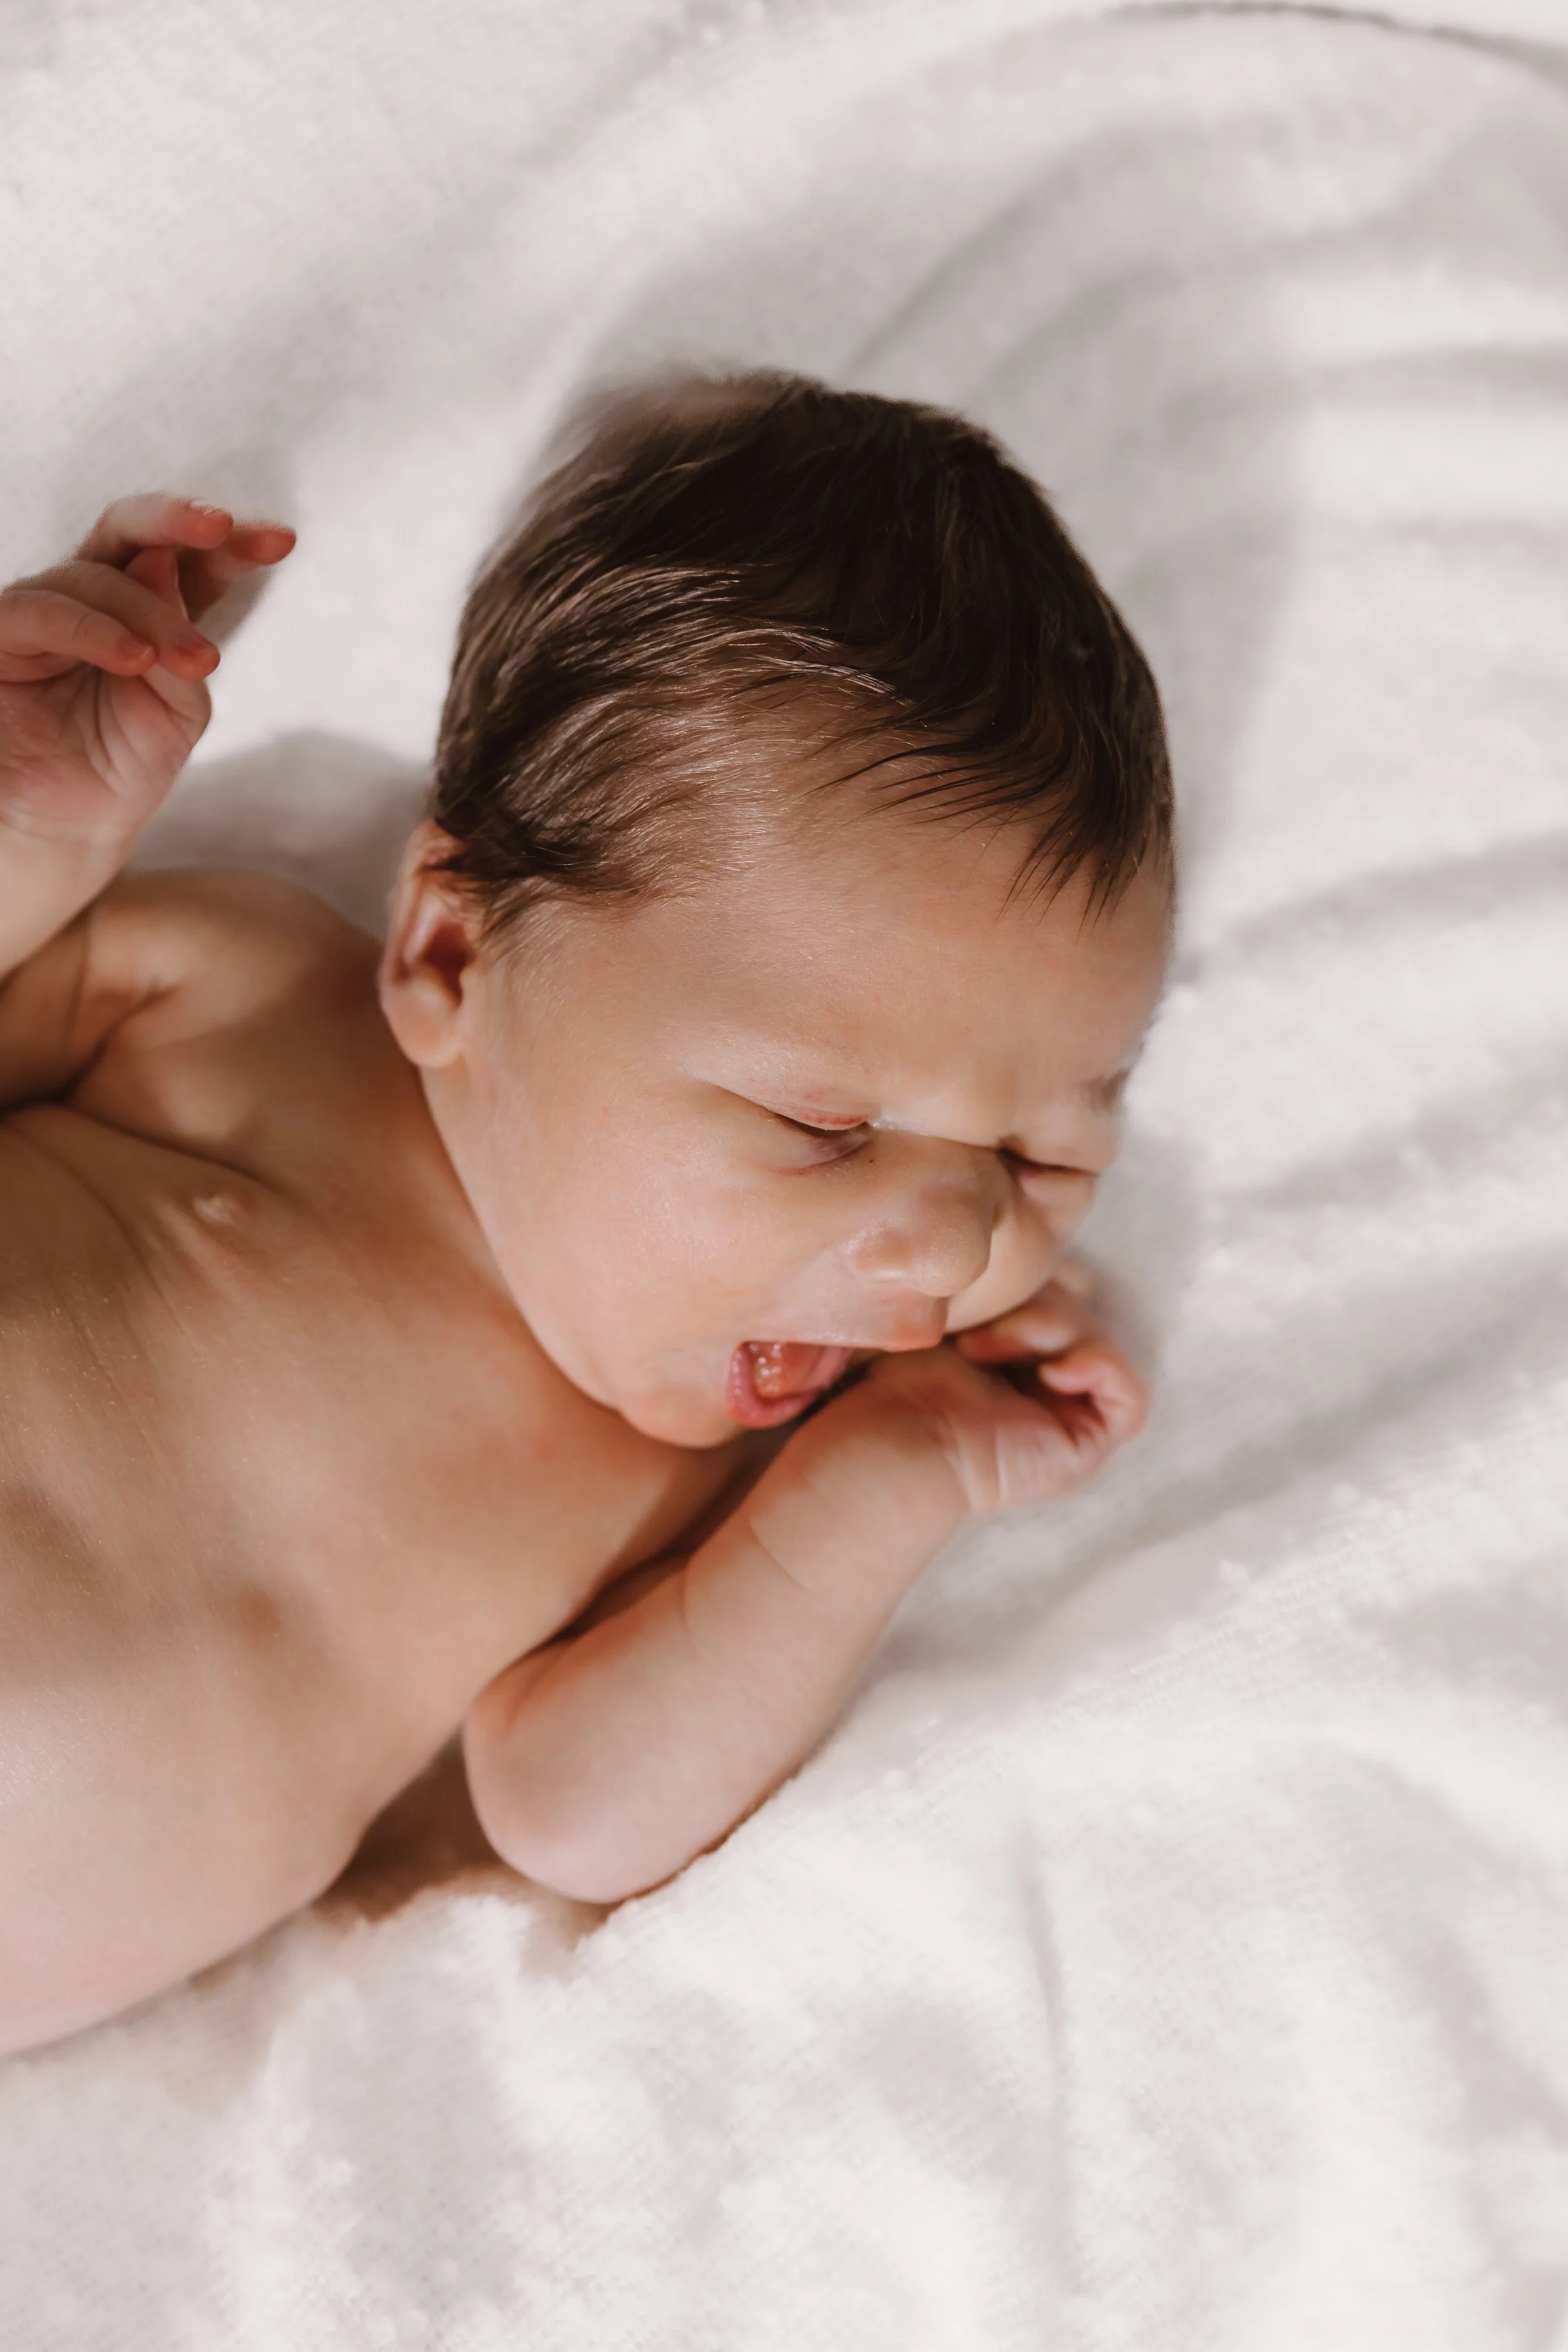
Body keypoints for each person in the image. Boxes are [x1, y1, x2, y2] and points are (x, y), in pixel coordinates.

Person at [0, 374, 1171, 2054]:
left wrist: (884, 1485)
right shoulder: (243, 1011)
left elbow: (572, 1816)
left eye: (1045, 1160)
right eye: (823, 1121)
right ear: (450, 957)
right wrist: (28, 833)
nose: (951, 1243)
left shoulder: (703, 1476)